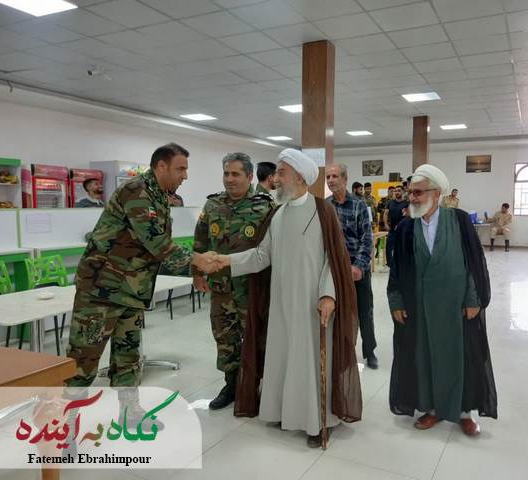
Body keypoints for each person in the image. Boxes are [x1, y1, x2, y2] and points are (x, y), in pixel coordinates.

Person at [209, 149, 362, 448]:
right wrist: (225, 260)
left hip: (311, 304)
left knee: (310, 362)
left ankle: (317, 422)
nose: (275, 179)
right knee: (284, 358)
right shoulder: (277, 214)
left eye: (281, 173)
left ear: (300, 177)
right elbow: (261, 256)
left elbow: (334, 260)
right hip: (281, 303)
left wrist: (328, 295)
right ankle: (287, 414)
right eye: (277, 173)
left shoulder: (323, 211)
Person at [65, 143, 217, 419]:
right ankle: (64, 424)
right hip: (101, 290)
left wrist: (196, 267)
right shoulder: (137, 191)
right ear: (161, 166)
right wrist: (198, 261)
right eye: (180, 169)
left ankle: (130, 414)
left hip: (130, 289)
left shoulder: (159, 195)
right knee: (83, 362)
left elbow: (156, 247)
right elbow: (157, 243)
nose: (185, 176)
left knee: (128, 357)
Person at [387, 164, 497, 436]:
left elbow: (474, 263)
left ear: (436, 194)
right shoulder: (406, 228)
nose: (412, 198)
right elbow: (396, 269)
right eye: (410, 192)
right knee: (424, 357)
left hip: (456, 306)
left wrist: (473, 298)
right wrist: (396, 301)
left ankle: (463, 411)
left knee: (462, 357)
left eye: (418, 192)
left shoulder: (459, 220)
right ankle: (433, 408)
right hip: (419, 308)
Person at [192, 152, 275, 410]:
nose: (229, 179)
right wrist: (197, 273)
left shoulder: (265, 206)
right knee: (225, 338)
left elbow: (272, 249)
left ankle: (256, 386)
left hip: (252, 288)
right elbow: (200, 240)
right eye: (226, 173)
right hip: (221, 288)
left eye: (235, 174)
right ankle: (231, 385)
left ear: (249, 176)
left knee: (257, 338)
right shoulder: (213, 205)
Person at [326, 164, 378, 369]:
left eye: (335, 176)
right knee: (339, 313)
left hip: (357, 270)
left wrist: (359, 266)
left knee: (364, 312)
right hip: (334, 271)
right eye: (328, 177)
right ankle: (342, 351)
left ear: (345, 179)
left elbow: (367, 238)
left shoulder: (359, 205)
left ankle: (370, 351)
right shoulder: (325, 206)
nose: (331, 180)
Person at [384, 184, 409, 268]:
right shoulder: (390, 202)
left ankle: (401, 264)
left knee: (401, 248)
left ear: (403, 192)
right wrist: (386, 224)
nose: (397, 192)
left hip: (403, 230)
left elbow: (408, 216)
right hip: (392, 230)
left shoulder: (406, 203)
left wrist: (401, 225)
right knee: (388, 248)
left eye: (399, 191)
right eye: (396, 191)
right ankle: (390, 265)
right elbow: (386, 214)